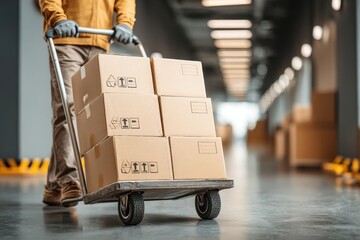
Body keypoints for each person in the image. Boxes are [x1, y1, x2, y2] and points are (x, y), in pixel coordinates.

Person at [39, 0, 136, 207]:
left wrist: (125, 23)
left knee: (95, 112)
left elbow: (126, 2)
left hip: (100, 43)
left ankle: (54, 186)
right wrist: (59, 19)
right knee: (67, 109)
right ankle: (69, 180)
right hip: (67, 40)